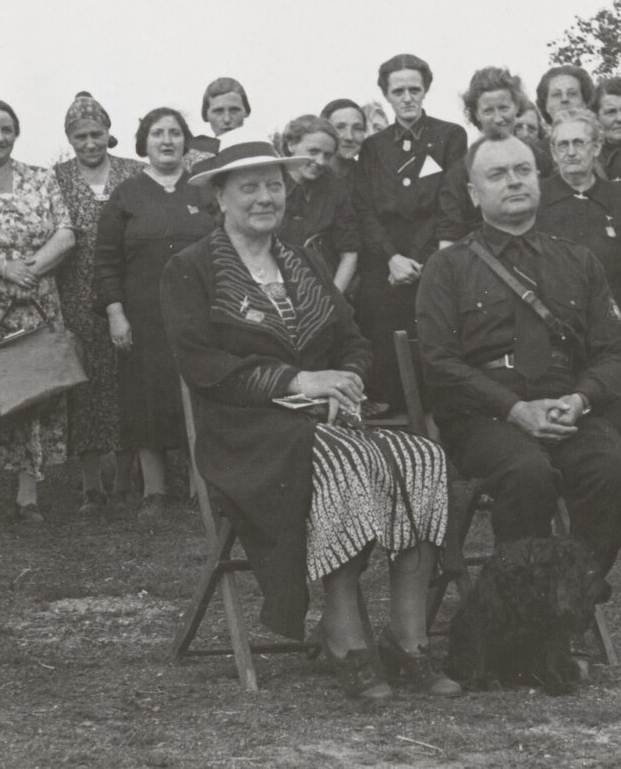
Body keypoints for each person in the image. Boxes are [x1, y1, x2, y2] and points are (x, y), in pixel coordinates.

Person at [163, 135, 456, 700]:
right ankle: (345, 640)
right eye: (248, 187)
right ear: (219, 197)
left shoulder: (301, 260)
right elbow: (201, 364)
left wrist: (344, 379)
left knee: (423, 457)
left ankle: (407, 639)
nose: (264, 198)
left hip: (323, 421)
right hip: (243, 434)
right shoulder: (191, 268)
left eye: (273, 185)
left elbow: (353, 339)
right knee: (344, 462)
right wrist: (295, 381)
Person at [416, 134, 621, 579]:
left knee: (618, 470)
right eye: (497, 174)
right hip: (484, 417)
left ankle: (573, 591)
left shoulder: (578, 260)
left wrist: (578, 401)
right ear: (474, 195)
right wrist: (514, 409)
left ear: (538, 180)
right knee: (529, 474)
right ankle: (522, 612)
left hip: (563, 408)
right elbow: (438, 362)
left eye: (522, 170)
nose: (513, 181)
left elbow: (615, 350)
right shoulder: (449, 267)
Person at [0, 99, 75, 523]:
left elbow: (66, 230)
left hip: (37, 296)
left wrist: (31, 270)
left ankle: (28, 495)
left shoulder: (40, 178)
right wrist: (5, 269)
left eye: (7, 129)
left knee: (35, 388)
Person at [95, 107, 217, 517]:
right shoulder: (126, 194)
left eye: (175, 133)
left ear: (186, 141)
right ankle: (155, 491)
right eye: (158, 134)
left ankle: (203, 486)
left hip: (200, 311)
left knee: (201, 391)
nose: (167, 141)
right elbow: (106, 260)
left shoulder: (203, 191)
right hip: (143, 313)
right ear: (143, 143)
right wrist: (115, 313)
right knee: (145, 397)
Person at [352, 54, 466, 407]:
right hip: (386, 257)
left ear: (426, 90)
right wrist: (391, 258)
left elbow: (451, 202)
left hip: (435, 249)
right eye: (398, 90)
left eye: (414, 89)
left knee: (435, 330)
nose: (407, 98)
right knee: (377, 318)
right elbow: (366, 210)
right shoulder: (373, 147)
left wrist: (431, 261)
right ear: (386, 94)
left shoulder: (449, 135)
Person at [539, 108, 621, 462]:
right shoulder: (539, 199)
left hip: (612, 318)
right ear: (553, 152)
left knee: (618, 399)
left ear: (596, 147)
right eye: (562, 145)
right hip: (558, 320)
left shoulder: (619, 199)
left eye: (578, 143)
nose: (570, 152)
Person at [54, 93, 145, 512]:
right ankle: (92, 483)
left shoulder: (134, 173)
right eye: (80, 136)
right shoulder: (56, 177)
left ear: (109, 134)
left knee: (127, 382)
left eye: (96, 134)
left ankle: (126, 478)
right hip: (74, 293)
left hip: (127, 291)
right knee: (86, 386)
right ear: (69, 138)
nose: (89, 143)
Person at [438, 66, 552, 244]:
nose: (498, 119)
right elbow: (450, 234)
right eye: (489, 111)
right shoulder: (461, 172)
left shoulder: (540, 159)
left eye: (504, 108)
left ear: (516, 107)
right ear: (476, 113)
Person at [278, 115, 359, 293]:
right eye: (313, 152)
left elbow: (349, 254)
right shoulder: (269, 182)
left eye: (327, 155)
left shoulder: (334, 189)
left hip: (320, 289)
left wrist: (333, 302)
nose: (320, 161)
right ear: (291, 145)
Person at [186, 77, 250, 166]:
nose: (227, 119)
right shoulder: (193, 159)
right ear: (206, 115)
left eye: (234, 110)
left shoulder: (263, 151)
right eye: (218, 111)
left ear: (246, 112)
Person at [321, 98, 367, 179]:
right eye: (340, 127)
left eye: (357, 128)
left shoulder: (370, 180)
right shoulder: (306, 177)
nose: (349, 137)